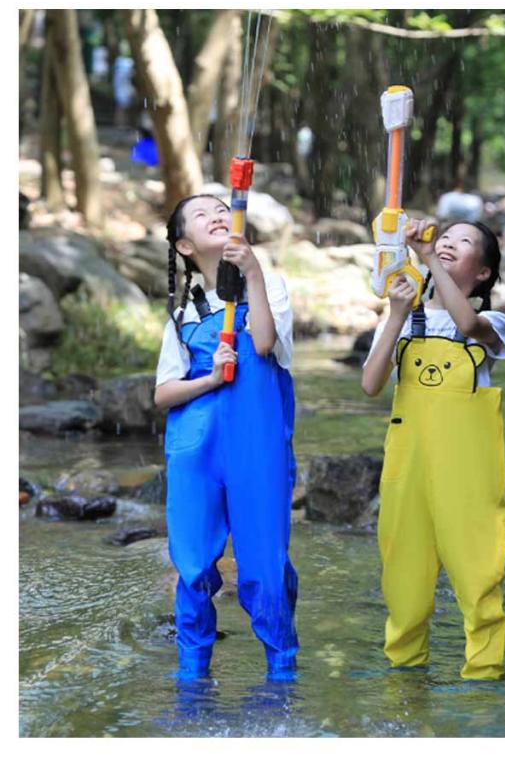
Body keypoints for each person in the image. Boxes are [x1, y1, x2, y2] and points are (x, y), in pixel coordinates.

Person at [155, 193, 298, 681]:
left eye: (222, 209)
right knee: (193, 564)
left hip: (256, 446)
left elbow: (264, 343)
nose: (216, 215)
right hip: (196, 450)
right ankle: (192, 679)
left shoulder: (270, 287)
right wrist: (211, 380)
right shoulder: (183, 316)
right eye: (201, 214)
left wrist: (252, 271)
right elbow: (163, 393)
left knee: (264, 566)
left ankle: (282, 676)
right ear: (185, 245)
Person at [362, 220, 505, 680]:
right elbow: (370, 384)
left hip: (469, 473)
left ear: (483, 273)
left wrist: (426, 257)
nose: (447, 242)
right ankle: (405, 682)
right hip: (407, 471)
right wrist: (396, 314)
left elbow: (467, 323)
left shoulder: (493, 324)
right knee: (403, 580)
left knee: (478, 576)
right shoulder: (405, 319)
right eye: (444, 236)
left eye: (464, 241)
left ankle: (484, 684)